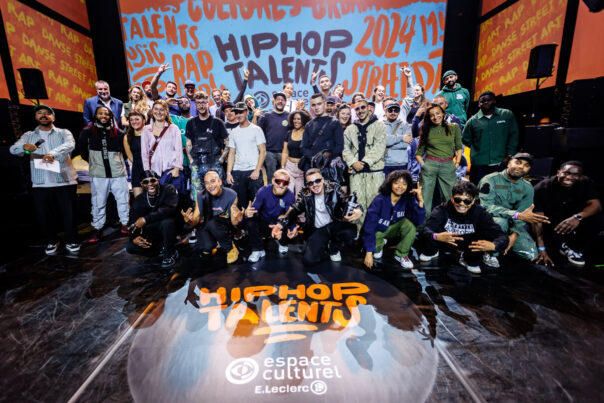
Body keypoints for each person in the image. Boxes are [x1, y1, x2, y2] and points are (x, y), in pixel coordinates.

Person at [10, 105, 79, 254]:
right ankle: (52, 241)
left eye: (47, 113)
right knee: (45, 215)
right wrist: (24, 147)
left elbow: (70, 145)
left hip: (64, 180)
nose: (44, 115)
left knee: (69, 213)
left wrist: (52, 154)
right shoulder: (29, 135)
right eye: (40, 113)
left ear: (53, 117)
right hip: (40, 182)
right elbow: (13, 149)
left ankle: (71, 239)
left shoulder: (63, 132)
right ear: (36, 117)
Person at [270, 168, 362, 264]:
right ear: (307, 184)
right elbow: (294, 209)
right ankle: (324, 245)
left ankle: (334, 249)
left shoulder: (334, 188)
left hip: (333, 226)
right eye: (310, 183)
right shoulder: (305, 194)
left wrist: (358, 209)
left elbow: (346, 201)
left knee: (350, 231)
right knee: (309, 260)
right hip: (318, 230)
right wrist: (280, 224)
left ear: (323, 180)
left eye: (317, 181)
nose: (315, 185)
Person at [420, 180, 509, 274]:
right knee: (430, 234)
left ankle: (469, 259)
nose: (462, 204)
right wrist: (436, 236)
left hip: (469, 243)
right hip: (445, 241)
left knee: (480, 246)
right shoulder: (441, 209)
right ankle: (432, 251)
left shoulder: (480, 213)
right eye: (458, 200)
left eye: (467, 201)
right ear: (452, 198)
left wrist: (494, 245)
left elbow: (502, 236)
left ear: (473, 200)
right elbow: (426, 230)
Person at [478, 153, 549, 267]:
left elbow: (524, 214)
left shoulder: (527, 187)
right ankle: (491, 253)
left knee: (531, 255)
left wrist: (515, 234)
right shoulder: (490, 179)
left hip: (512, 223)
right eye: (518, 162)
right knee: (501, 222)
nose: (521, 167)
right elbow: (486, 207)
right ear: (509, 163)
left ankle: (505, 243)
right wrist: (516, 214)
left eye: (526, 165)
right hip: (490, 220)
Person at [533, 161, 604, 267]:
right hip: (550, 224)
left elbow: (596, 205)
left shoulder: (585, 183)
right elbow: (537, 219)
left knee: (598, 219)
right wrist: (541, 248)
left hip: (572, 220)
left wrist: (577, 217)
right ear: (558, 173)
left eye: (576, 175)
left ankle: (573, 247)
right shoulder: (542, 187)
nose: (570, 177)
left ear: (580, 177)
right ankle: (560, 244)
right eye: (566, 173)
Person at [78, 106, 129, 242]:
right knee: (98, 201)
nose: (104, 116)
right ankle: (98, 228)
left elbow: (125, 153)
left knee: (123, 199)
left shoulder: (119, 133)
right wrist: (95, 163)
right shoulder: (87, 131)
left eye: (106, 114)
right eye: (100, 113)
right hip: (98, 173)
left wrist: (116, 162)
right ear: (96, 115)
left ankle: (125, 223)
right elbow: (83, 151)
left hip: (118, 172)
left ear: (110, 116)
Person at [362, 170, 426, 269]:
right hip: (380, 230)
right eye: (396, 183)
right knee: (376, 252)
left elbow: (418, 221)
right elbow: (369, 226)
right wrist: (369, 252)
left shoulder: (408, 199)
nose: (400, 186)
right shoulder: (379, 200)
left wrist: (420, 201)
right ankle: (381, 243)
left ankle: (401, 255)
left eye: (404, 184)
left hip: (395, 229)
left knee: (410, 226)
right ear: (390, 184)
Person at [181, 169, 244, 263]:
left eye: (213, 181)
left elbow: (234, 222)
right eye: (207, 183)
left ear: (220, 181)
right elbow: (195, 220)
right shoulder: (200, 195)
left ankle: (230, 248)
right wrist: (189, 221)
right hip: (206, 224)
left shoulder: (231, 195)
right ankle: (215, 242)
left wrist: (239, 219)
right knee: (206, 247)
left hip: (223, 225)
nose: (210, 186)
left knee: (213, 223)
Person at [342, 98, 387, 230]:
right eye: (357, 109)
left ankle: (375, 236)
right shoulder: (349, 129)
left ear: (368, 108)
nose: (360, 111)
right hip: (356, 174)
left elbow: (380, 147)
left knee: (376, 204)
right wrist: (353, 163)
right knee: (357, 205)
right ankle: (358, 234)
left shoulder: (380, 126)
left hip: (375, 173)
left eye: (363, 107)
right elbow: (345, 149)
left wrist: (365, 162)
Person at [462, 91, 519, 184]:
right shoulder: (472, 121)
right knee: (478, 190)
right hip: (479, 166)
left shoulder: (507, 115)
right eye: (482, 101)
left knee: (501, 190)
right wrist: (480, 147)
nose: (485, 102)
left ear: (494, 101)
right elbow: (465, 139)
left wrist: (509, 155)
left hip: (501, 164)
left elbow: (514, 136)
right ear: (479, 104)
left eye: (488, 100)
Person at [416, 105, 463, 216]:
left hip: (448, 165)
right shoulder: (426, 130)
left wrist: (457, 163)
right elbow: (418, 154)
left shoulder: (454, 127)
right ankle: (423, 224)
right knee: (425, 198)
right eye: (432, 115)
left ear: (443, 114)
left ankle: (450, 222)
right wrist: (423, 165)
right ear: (429, 118)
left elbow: (459, 147)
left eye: (438, 113)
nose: (435, 117)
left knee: (450, 197)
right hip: (430, 164)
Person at [126, 170, 180, 268]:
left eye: (153, 180)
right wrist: (134, 237)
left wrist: (145, 219)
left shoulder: (168, 189)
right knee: (130, 247)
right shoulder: (139, 199)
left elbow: (169, 209)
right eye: (146, 182)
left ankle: (170, 253)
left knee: (167, 222)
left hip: (170, 227)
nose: (150, 184)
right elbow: (132, 221)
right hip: (153, 231)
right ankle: (161, 249)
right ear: (142, 184)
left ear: (158, 180)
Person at [245, 169, 296, 262]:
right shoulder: (263, 191)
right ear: (273, 181)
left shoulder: (290, 196)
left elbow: (290, 216)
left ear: (288, 184)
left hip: (280, 224)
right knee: (250, 220)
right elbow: (253, 210)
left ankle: (283, 243)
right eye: (278, 181)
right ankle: (258, 249)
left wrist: (293, 230)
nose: (281, 185)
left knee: (289, 222)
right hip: (265, 224)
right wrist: (247, 213)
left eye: (285, 182)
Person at [185, 91, 229, 197]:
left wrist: (221, 159)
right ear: (195, 105)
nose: (201, 105)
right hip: (197, 165)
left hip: (214, 164)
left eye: (204, 102)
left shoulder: (218, 122)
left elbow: (228, 143)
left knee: (217, 194)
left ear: (208, 103)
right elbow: (188, 144)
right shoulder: (190, 123)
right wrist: (191, 160)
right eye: (198, 103)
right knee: (197, 196)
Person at [227, 102, 266, 208]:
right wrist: (229, 173)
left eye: (241, 112)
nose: (238, 115)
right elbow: (231, 153)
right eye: (236, 113)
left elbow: (263, 151)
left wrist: (257, 170)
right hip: (237, 172)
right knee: (239, 206)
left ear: (247, 112)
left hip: (253, 171)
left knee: (256, 205)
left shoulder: (256, 130)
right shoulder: (234, 132)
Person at [141, 100, 184, 193]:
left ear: (166, 111)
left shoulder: (174, 128)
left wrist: (177, 168)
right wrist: (147, 171)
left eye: (161, 109)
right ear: (152, 111)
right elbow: (144, 153)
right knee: (158, 199)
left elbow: (179, 151)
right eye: (156, 109)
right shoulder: (146, 129)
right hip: (154, 173)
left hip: (171, 171)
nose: (158, 112)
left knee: (172, 198)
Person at [300, 93, 344, 172]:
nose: (316, 107)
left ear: (324, 104)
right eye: (313, 105)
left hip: (329, 167)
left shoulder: (335, 122)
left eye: (319, 104)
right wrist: (315, 158)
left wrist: (327, 157)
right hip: (311, 166)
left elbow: (339, 146)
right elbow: (303, 147)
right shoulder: (309, 125)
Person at [258, 92, 290, 182]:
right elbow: (258, 132)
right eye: (278, 99)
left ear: (285, 102)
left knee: (284, 179)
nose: (280, 101)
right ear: (274, 101)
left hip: (284, 153)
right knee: (271, 179)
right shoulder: (266, 116)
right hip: (269, 153)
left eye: (282, 100)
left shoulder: (289, 116)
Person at [281, 109, 311, 197]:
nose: (296, 121)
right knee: (287, 194)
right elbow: (285, 152)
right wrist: (283, 167)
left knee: (299, 196)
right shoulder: (289, 133)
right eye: (294, 119)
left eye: (299, 119)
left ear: (304, 120)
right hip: (289, 167)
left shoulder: (308, 134)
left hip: (302, 169)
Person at [383, 98, 414, 176]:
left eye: (396, 110)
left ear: (399, 112)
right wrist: (402, 138)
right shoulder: (380, 125)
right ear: (385, 111)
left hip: (401, 164)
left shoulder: (405, 125)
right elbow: (383, 141)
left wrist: (389, 142)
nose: (393, 112)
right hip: (385, 164)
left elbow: (406, 144)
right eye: (390, 110)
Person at [123, 111, 146, 197]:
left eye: (137, 119)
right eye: (131, 120)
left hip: (150, 170)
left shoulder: (150, 134)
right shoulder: (127, 137)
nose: (134, 122)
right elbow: (130, 157)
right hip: (137, 171)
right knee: (138, 200)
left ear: (144, 121)